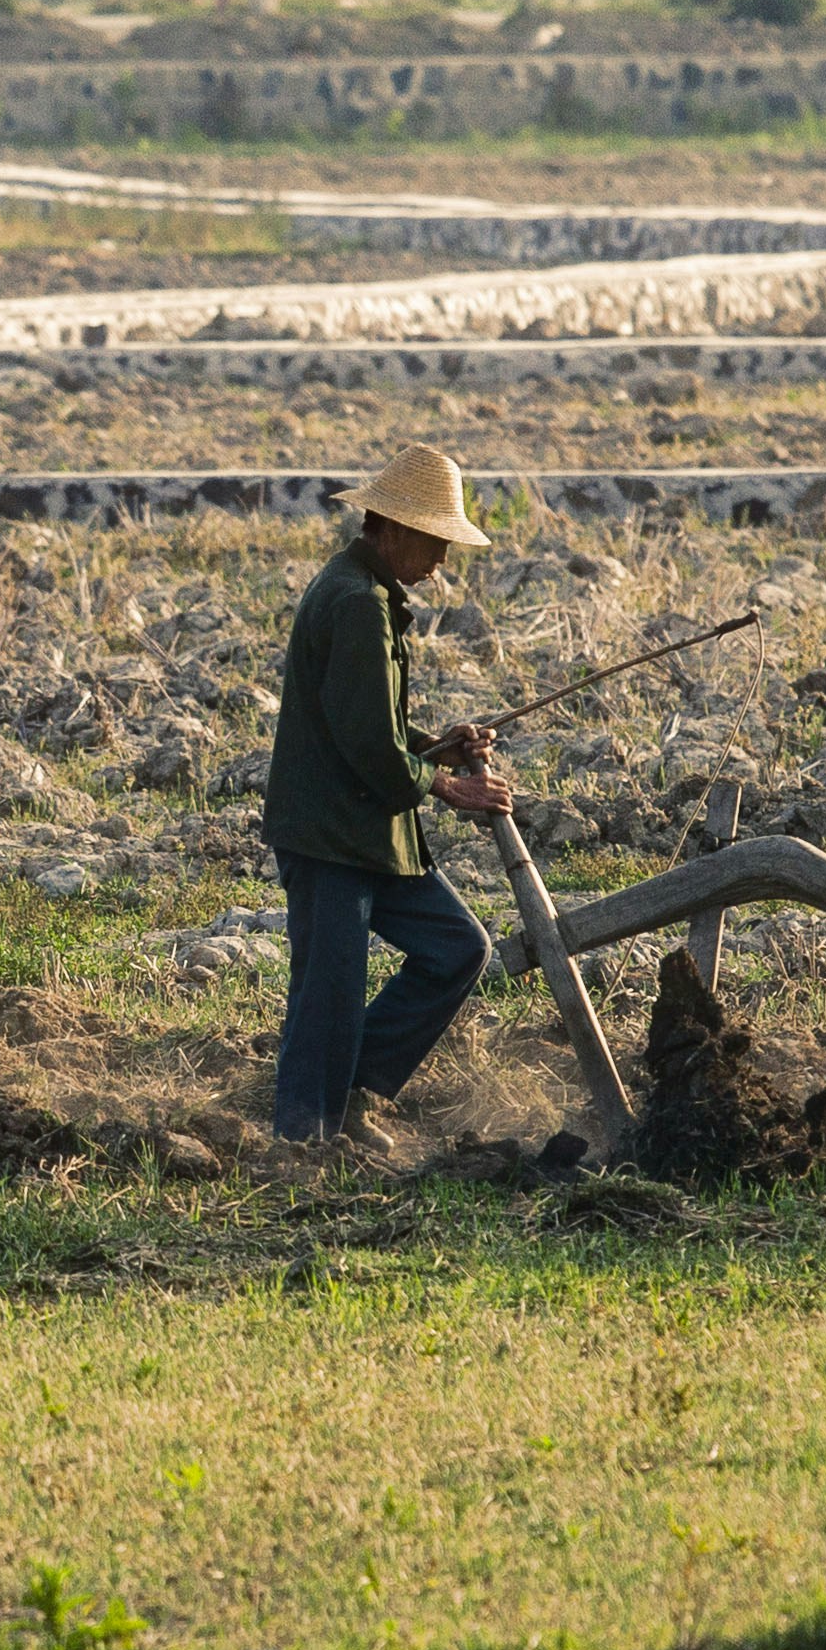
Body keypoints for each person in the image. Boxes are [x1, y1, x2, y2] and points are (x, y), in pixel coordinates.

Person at [261, 444, 520, 1157]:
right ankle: (300, 1141)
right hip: (331, 834)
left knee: (456, 949)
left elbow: (371, 720)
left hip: (369, 828)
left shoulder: (367, 595)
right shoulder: (355, 604)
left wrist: (437, 743)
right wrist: (447, 785)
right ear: (394, 528)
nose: (439, 561)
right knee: (329, 994)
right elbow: (369, 743)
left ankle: (354, 1089)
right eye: (435, 541)